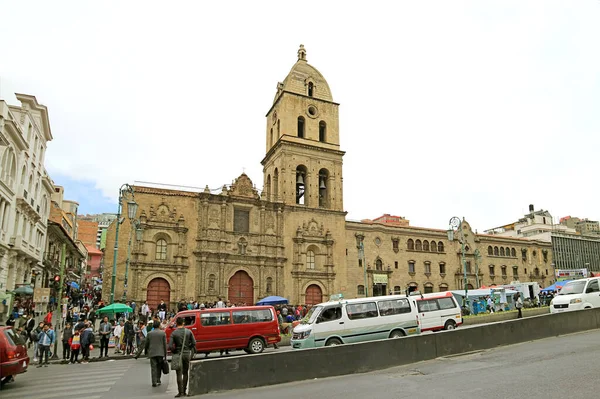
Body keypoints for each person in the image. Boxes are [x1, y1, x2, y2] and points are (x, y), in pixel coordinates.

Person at [169, 317, 197, 397]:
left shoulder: (174, 333)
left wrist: (174, 351)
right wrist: (188, 347)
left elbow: (170, 346)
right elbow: (194, 343)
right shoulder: (188, 331)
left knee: (178, 373)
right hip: (186, 354)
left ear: (176, 323)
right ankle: (184, 391)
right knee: (185, 373)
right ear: (183, 323)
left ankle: (180, 392)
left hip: (178, 354)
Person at [136, 321, 167, 388]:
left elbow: (146, 343)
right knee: (159, 367)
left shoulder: (149, 334)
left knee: (153, 368)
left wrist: (146, 351)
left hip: (152, 353)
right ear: (159, 326)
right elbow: (165, 345)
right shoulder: (162, 333)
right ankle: (158, 379)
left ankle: (154, 381)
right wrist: (165, 354)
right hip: (160, 353)